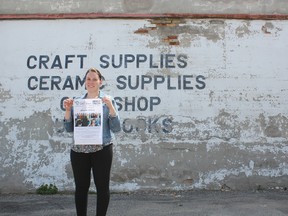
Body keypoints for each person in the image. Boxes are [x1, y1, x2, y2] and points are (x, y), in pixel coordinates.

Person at [63, 68, 121, 216]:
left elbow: (116, 128)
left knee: (102, 187)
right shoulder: (77, 101)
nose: (91, 82)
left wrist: (110, 107)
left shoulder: (108, 100)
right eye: (88, 79)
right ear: (85, 82)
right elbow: (69, 129)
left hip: (102, 150)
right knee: (81, 188)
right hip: (79, 152)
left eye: (94, 79)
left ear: (100, 82)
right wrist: (68, 110)